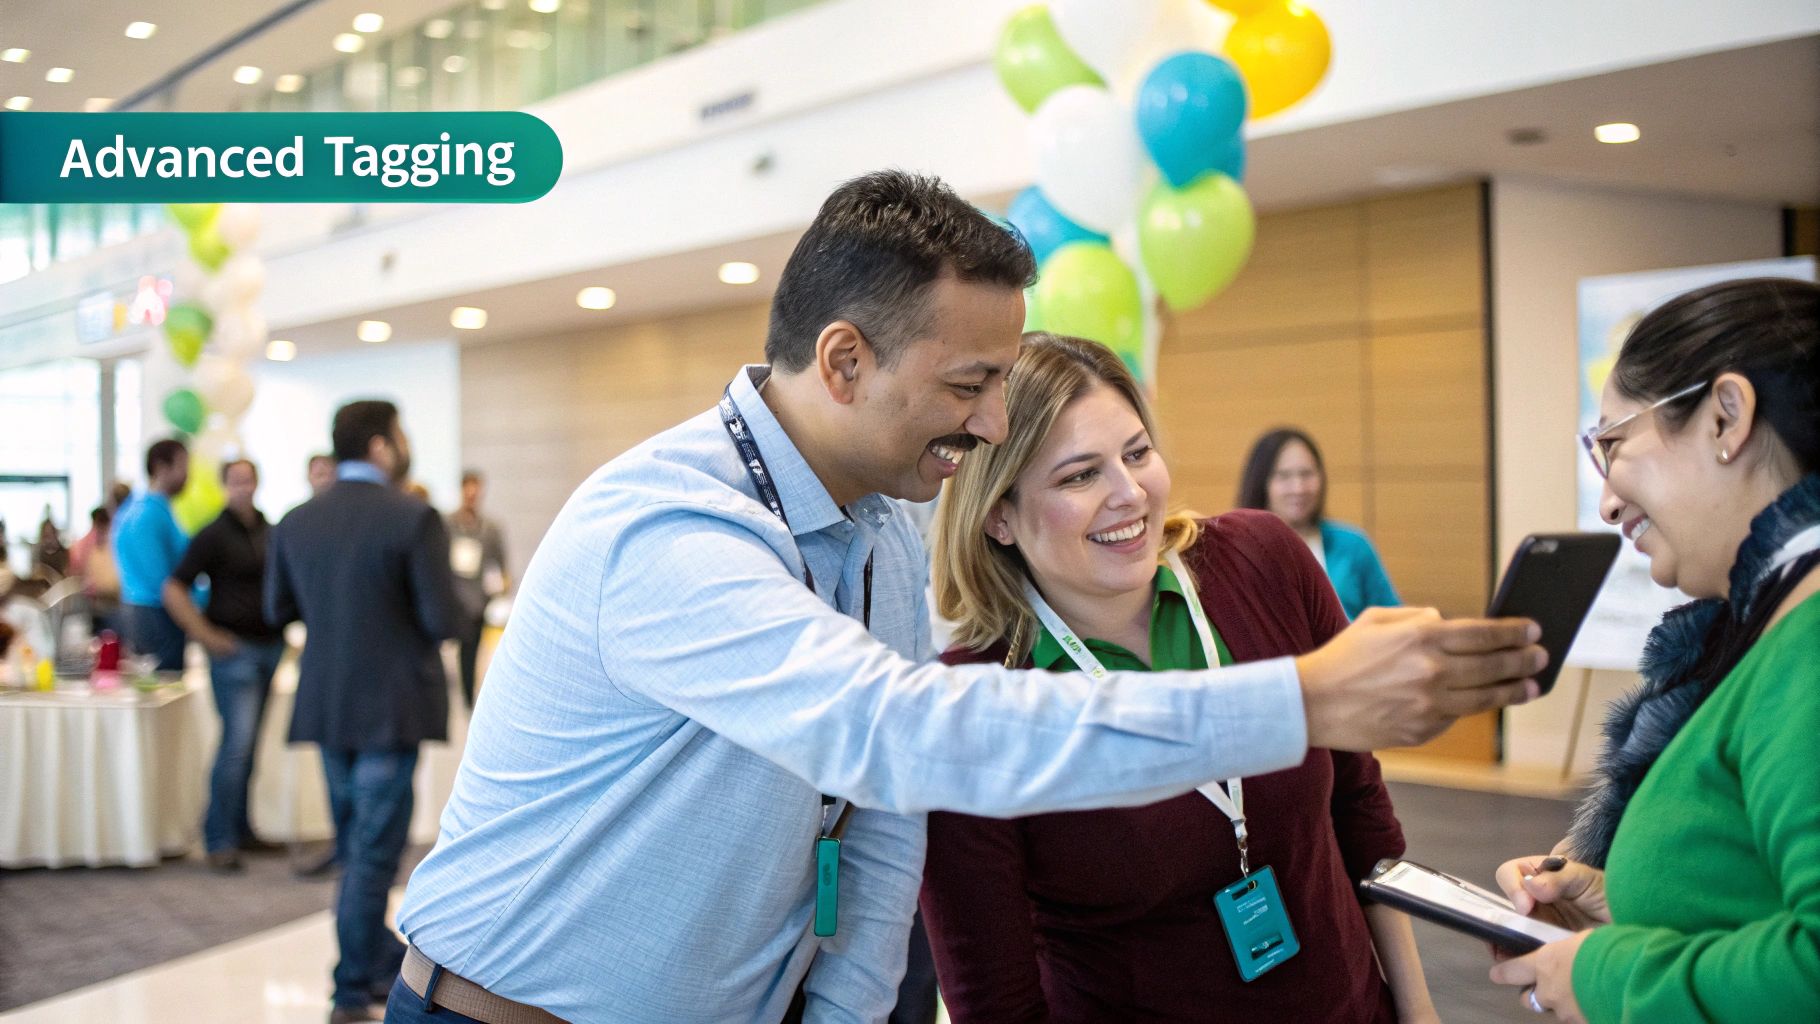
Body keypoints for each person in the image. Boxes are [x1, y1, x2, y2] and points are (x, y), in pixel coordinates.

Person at [386, 171, 1543, 1024]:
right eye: (968, 384)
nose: (991, 422)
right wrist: (1296, 700)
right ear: (844, 362)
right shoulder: (670, 531)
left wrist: (843, 1013)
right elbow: (903, 732)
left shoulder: (882, 528)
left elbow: (888, 819)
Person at [921, 334, 1437, 1023]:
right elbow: (995, 1002)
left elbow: (1361, 808)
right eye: (1080, 476)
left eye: (1137, 454)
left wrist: (1418, 1011)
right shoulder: (973, 706)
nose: (1130, 493)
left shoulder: (1263, 561)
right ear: (999, 516)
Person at [1488, 278, 1820, 1022]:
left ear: (1727, 417)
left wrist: (1607, 975)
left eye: (1613, 443)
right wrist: (1628, 911)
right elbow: (1755, 901)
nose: (1608, 501)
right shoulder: (1768, 632)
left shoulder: (1809, 639)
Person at [267, 401, 457, 1024]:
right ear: (379, 445)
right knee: (373, 853)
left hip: (328, 704)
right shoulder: (413, 517)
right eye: (400, 435)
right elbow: (443, 618)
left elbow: (277, 610)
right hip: (390, 708)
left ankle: (373, 962)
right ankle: (350, 989)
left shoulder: (295, 521)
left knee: (358, 845)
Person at [163, 459, 286, 873]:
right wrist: (205, 635)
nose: (243, 487)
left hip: (269, 647)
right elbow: (174, 588)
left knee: (249, 748)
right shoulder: (213, 534)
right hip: (234, 652)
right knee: (236, 745)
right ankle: (219, 838)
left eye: (248, 479)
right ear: (224, 485)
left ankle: (241, 829)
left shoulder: (269, 530)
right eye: (235, 481)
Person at [1237, 428, 1399, 620]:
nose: (1298, 488)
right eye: (1284, 476)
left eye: (1306, 474)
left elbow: (1394, 619)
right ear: (1261, 483)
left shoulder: (1353, 546)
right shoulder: (1240, 553)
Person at [113, 439, 191, 670]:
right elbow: (161, 580)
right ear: (160, 467)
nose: (188, 474)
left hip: (146, 611)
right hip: (156, 614)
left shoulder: (138, 509)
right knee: (165, 686)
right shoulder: (148, 514)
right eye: (182, 466)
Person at [444, 469, 508, 709]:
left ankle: (469, 698)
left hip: (478, 600)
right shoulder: (448, 524)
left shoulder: (490, 529)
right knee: (460, 650)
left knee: (471, 650)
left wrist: (500, 588)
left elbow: (500, 565)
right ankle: (463, 694)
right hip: (454, 597)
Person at [69, 506, 121, 634]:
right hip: (102, 600)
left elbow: (75, 569)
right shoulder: (102, 544)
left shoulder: (83, 543)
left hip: (94, 599)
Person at [33, 512, 68, 579]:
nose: (49, 539)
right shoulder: (38, 551)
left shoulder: (63, 552)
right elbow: (35, 572)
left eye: (51, 534)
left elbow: (66, 572)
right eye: (47, 535)